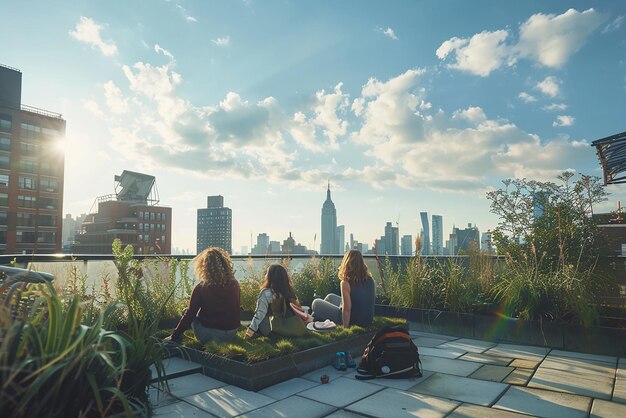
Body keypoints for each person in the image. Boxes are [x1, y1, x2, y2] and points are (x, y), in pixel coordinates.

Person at [167, 247, 240, 344]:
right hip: (232, 333)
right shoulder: (235, 284)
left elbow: (190, 314)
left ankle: (178, 337)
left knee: (186, 311)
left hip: (211, 335)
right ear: (225, 264)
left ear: (204, 266)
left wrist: (173, 336)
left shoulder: (201, 288)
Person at [311, 249, 375, 327]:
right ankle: (313, 319)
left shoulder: (345, 283)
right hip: (367, 320)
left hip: (352, 320)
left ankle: (311, 322)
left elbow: (347, 309)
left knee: (316, 303)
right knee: (330, 297)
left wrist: (346, 328)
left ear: (347, 262)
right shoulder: (370, 279)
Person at [244, 264, 303, 339]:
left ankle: (256, 332)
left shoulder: (266, 293)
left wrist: (249, 333)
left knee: (260, 315)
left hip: (272, 329)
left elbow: (259, 314)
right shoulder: (289, 291)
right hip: (290, 326)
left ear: (269, 277)